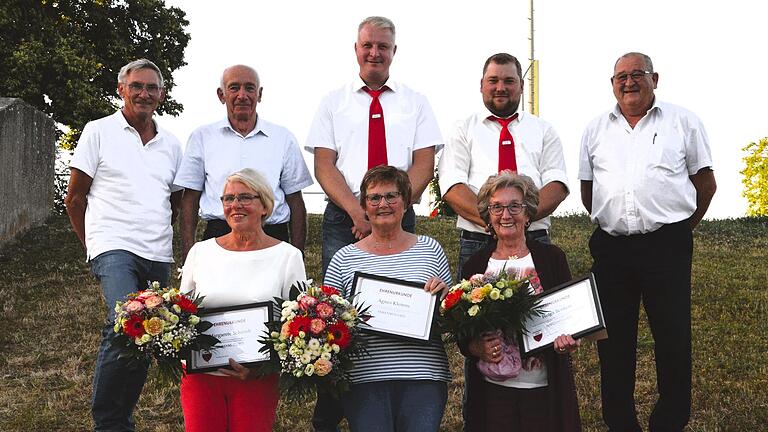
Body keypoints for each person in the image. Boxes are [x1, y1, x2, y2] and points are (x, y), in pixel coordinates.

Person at [578, 52, 717, 431]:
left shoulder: (683, 122)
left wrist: (681, 228)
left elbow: (706, 185)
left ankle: (669, 423)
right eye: (620, 76)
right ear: (612, 84)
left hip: (667, 246)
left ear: (655, 77)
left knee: (673, 338)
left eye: (637, 74)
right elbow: (587, 192)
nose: (628, 82)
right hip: (611, 248)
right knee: (613, 344)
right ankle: (621, 423)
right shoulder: (595, 129)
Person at [64, 58, 183, 431]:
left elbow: (175, 202)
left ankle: (121, 418)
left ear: (161, 95)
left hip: (157, 252)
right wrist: (94, 246)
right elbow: (75, 197)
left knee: (148, 336)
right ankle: (109, 422)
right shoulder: (98, 131)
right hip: (114, 246)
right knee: (125, 324)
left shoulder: (172, 144)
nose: (144, 94)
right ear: (121, 89)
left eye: (152, 88)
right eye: (136, 86)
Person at [305, 15, 442, 276]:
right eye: (367, 45)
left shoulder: (417, 103)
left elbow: (424, 164)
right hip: (344, 216)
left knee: (400, 291)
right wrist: (359, 212)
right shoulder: (332, 103)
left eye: (383, 46)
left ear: (394, 51)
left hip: (399, 216)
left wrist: (389, 208)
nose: (374, 53)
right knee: (337, 304)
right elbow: (324, 165)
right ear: (356, 48)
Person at [323, 165, 452, 431]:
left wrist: (445, 297)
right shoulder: (344, 259)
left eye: (392, 196)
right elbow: (328, 324)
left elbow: (451, 315)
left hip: (423, 375)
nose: (383, 204)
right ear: (365, 206)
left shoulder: (430, 250)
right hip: (365, 378)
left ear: (406, 202)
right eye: (375, 198)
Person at [179, 168, 306, 432]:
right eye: (228, 198)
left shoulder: (288, 256)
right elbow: (182, 313)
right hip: (201, 376)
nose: (235, 205)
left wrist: (261, 367)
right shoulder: (200, 252)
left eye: (245, 197)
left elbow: (298, 324)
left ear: (264, 205)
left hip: (256, 378)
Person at [459, 172, 581, 432]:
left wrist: (569, 339)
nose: (506, 214)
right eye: (497, 207)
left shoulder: (551, 258)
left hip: (543, 388)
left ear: (528, 214)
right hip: (493, 392)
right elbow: (463, 332)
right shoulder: (475, 265)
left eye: (515, 206)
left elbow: (570, 315)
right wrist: (476, 347)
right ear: (488, 216)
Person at [438, 52, 569, 276]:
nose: (501, 87)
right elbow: (452, 187)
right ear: (481, 85)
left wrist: (519, 220)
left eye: (509, 81)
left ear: (521, 86)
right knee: (476, 311)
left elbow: (556, 186)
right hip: (478, 241)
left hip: (535, 239)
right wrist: (498, 221)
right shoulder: (463, 130)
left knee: (545, 311)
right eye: (493, 81)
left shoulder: (544, 130)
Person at [175, 64, 313, 262]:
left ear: (260, 94)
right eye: (234, 88)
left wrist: (298, 255)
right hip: (219, 238)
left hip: (273, 238)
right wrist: (189, 257)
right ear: (221, 95)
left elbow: (296, 201)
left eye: (249, 88)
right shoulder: (202, 137)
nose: (242, 95)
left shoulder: (283, 138)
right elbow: (189, 200)